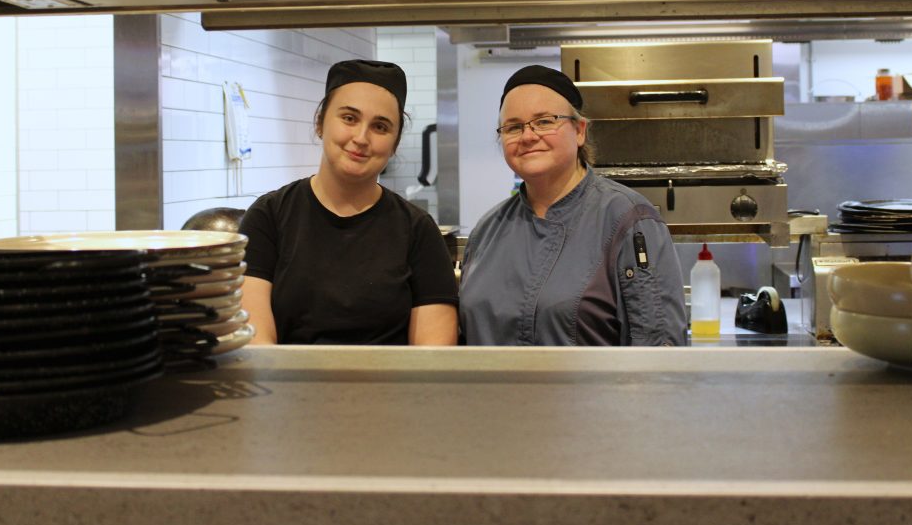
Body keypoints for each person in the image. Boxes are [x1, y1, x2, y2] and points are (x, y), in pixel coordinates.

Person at [459, 65, 687, 346]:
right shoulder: (487, 230)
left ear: (579, 131)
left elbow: (659, 350)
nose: (528, 136)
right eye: (514, 127)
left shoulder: (629, 221)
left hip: (594, 392)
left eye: (544, 121)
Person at [238, 59, 459, 345]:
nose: (361, 138)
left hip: (393, 389)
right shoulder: (268, 217)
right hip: (287, 386)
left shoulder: (417, 230)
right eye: (349, 118)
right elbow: (256, 346)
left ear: (394, 144)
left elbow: (434, 357)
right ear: (320, 122)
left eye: (380, 126)